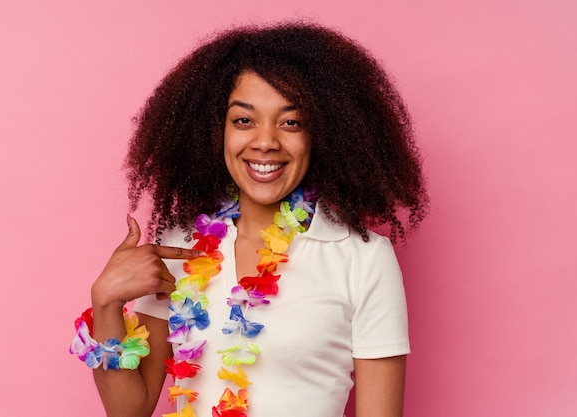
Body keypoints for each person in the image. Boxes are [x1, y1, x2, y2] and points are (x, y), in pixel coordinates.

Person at [70, 21, 428, 417]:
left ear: (322, 135)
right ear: (215, 131)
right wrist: (105, 302)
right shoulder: (179, 245)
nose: (265, 141)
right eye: (244, 120)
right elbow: (130, 411)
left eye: (291, 122)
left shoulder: (363, 259)